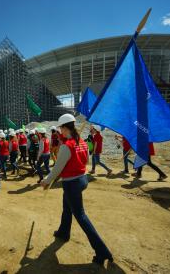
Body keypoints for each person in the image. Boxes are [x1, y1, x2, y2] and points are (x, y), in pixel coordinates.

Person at [39, 114, 113, 266]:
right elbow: (85, 160)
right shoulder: (82, 143)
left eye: (61, 128)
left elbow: (57, 169)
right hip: (82, 179)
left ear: (66, 128)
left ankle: (101, 251)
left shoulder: (67, 146)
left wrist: (46, 181)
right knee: (67, 207)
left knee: (81, 216)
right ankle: (63, 232)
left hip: (72, 183)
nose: (60, 131)